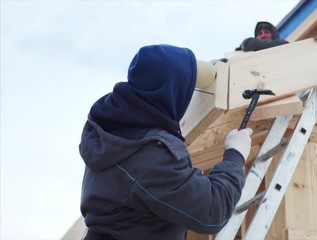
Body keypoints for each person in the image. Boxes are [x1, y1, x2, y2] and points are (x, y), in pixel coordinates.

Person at [79, 44, 253, 240]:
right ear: (173, 92)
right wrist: (235, 155)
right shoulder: (150, 156)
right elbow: (212, 212)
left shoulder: (112, 128)